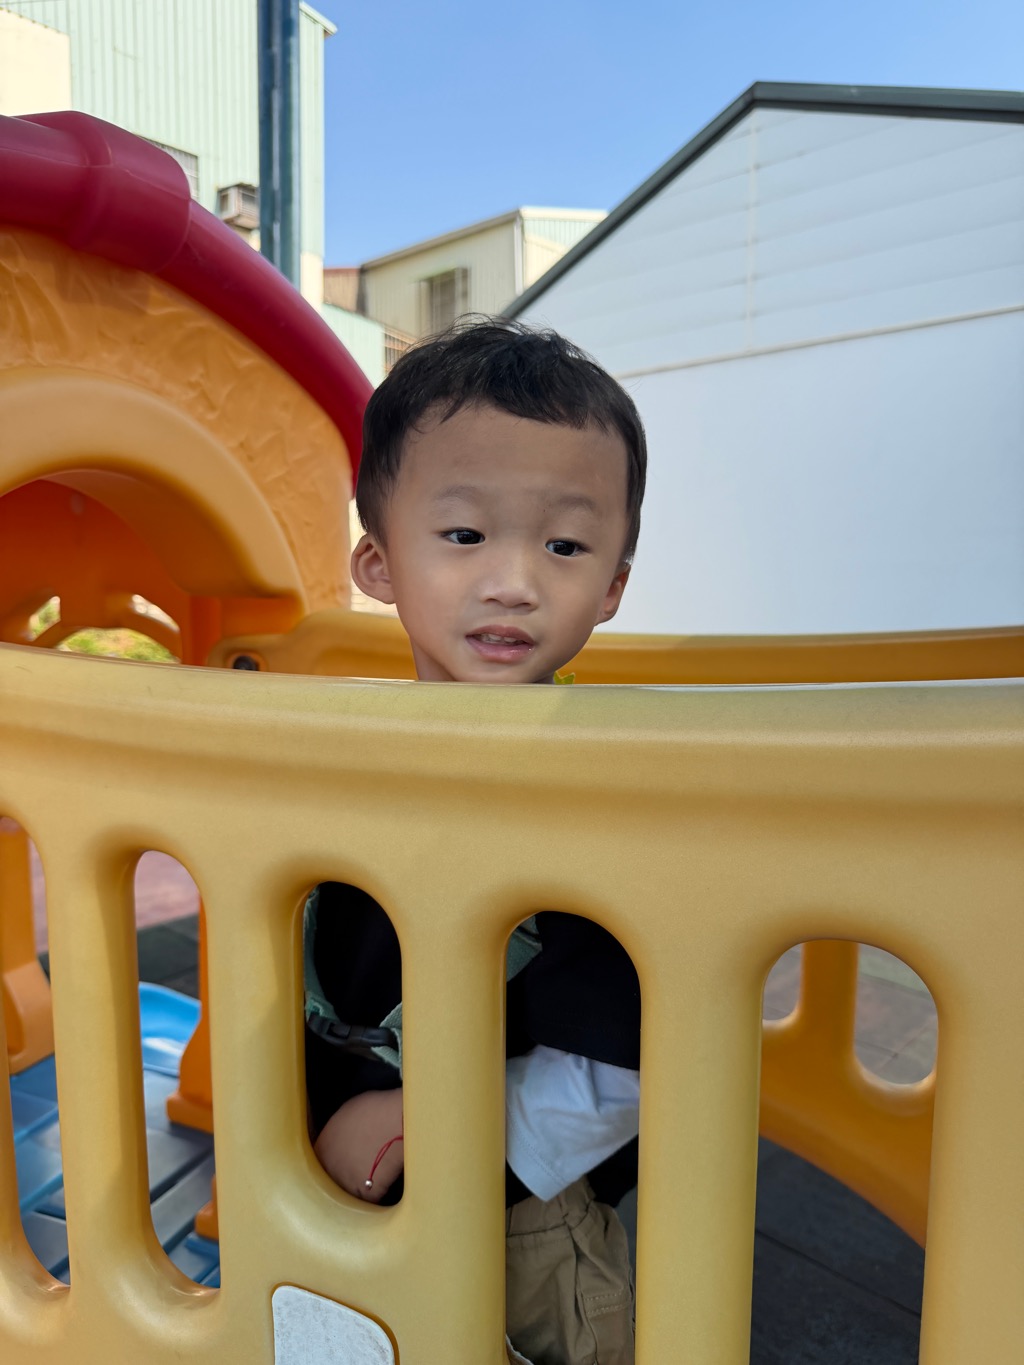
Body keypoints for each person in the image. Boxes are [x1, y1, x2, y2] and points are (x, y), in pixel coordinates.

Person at [305, 317, 646, 1365]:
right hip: (329, 1194)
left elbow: (620, 1068)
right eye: (464, 535)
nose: (514, 581)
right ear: (377, 561)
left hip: (523, 1227)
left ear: (614, 584)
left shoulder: (604, 792)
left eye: (565, 546)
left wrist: (425, 1125)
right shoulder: (334, 746)